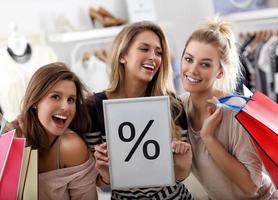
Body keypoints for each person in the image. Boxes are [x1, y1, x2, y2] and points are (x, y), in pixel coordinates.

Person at [179, 18, 278, 199]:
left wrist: (208, 137)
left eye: (205, 64)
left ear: (220, 72)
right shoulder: (179, 107)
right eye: (189, 59)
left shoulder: (235, 111)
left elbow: (251, 188)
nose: (192, 70)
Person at [86, 21, 193, 199]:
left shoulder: (172, 105)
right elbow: (98, 181)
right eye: (144, 49)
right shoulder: (94, 107)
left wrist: (182, 164)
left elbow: (180, 175)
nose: (154, 57)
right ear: (122, 56)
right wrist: (105, 175)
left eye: (159, 52)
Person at [12, 62, 98, 200]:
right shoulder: (12, 136)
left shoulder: (71, 147)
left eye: (71, 100)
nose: (65, 106)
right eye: (55, 97)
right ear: (35, 101)